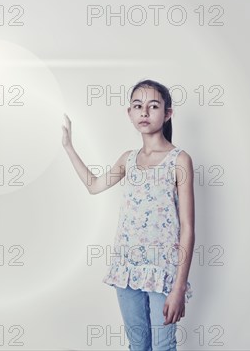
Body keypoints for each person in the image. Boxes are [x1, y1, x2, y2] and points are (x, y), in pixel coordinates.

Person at [62, 79, 194, 351]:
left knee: (163, 346)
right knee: (138, 345)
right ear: (130, 113)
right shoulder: (128, 159)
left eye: (153, 106)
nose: (145, 112)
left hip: (163, 271)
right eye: (138, 106)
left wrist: (179, 286)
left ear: (167, 113)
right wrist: (69, 147)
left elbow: (188, 227)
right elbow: (93, 185)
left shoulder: (179, 160)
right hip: (127, 269)